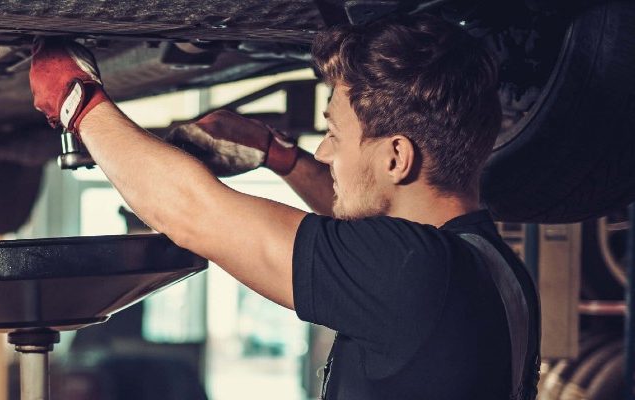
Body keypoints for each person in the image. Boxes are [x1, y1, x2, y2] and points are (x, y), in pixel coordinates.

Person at [28, 13, 540, 400]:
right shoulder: (493, 266)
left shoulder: (414, 272)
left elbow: (190, 212)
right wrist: (280, 157)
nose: (325, 152)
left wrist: (78, 102)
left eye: (335, 134)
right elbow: (358, 222)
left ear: (396, 158)